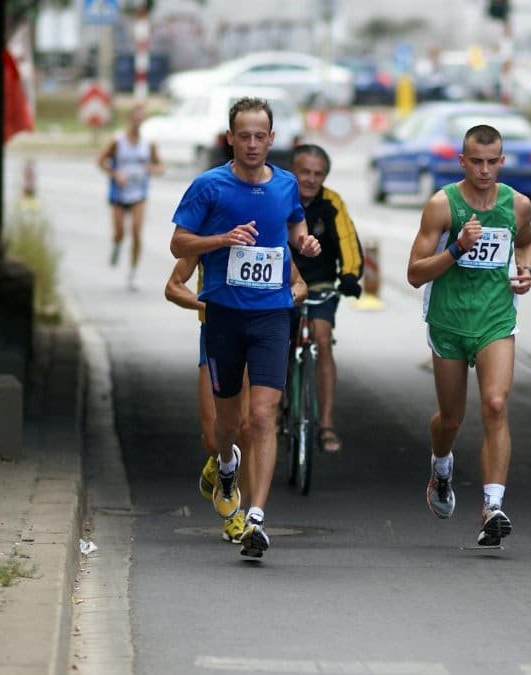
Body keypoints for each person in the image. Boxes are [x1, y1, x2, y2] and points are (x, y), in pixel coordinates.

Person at [169, 97, 321, 559]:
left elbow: (295, 230)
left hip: (272, 316)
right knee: (227, 426)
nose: (253, 144)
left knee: (263, 417)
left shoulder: (286, 184)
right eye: (244, 136)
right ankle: (226, 464)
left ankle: (255, 517)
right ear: (230, 138)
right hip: (224, 316)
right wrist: (222, 239)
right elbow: (178, 242)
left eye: (260, 136)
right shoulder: (209, 186)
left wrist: (305, 244)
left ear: (272, 139)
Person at [406, 124, 531, 547]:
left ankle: (492, 506)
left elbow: (526, 243)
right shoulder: (442, 205)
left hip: (495, 319)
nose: (484, 170)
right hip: (448, 320)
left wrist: (526, 270)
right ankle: (441, 465)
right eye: (476, 162)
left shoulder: (518, 205)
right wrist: (457, 248)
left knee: (496, 404)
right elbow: (414, 273)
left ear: (502, 161)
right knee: (451, 418)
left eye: (492, 162)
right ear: (462, 161)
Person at [164, 257, 307, 543]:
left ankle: (240, 515)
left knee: (249, 427)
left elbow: (299, 283)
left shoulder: (266, 239)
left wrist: (283, 300)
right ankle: (220, 459)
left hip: (258, 330)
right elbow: (173, 286)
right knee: (214, 437)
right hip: (217, 331)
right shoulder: (211, 238)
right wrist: (208, 306)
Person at [288, 144, 364, 453]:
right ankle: (274, 409)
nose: (310, 179)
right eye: (304, 172)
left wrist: (350, 275)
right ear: (293, 171)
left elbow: (347, 239)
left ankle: (326, 424)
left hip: (320, 282)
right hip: (282, 282)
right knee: (276, 344)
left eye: (318, 174)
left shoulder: (332, 202)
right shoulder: (279, 195)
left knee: (322, 339)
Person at [97, 103, 163, 290]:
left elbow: (160, 166)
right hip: (119, 193)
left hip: (139, 194)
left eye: (141, 118)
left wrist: (151, 169)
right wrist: (115, 174)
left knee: (136, 232)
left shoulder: (148, 143)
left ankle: (133, 273)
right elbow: (100, 161)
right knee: (119, 232)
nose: (137, 122)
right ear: (128, 119)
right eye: (135, 118)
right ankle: (116, 245)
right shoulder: (118, 141)